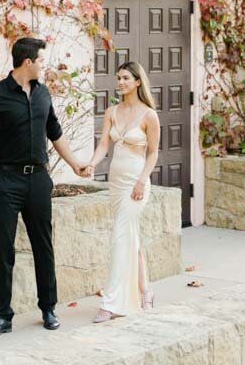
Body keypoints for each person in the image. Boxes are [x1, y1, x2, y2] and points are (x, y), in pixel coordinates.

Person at [0, 35, 91, 338]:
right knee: (2, 248)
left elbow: (55, 133)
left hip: (38, 179)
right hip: (6, 180)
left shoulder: (43, 94)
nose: (43, 67)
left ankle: (48, 307)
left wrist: (75, 163)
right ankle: (2, 317)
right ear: (28, 62)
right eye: (41, 61)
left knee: (43, 245)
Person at [85, 59, 161, 321]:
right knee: (131, 238)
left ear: (138, 82)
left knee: (120, 236)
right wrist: (92, 164)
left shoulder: (149, 115)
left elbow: (153, 153)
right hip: (116, 183)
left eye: (126, 78)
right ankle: (146, 292)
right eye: (119, 78)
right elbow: (104, 145)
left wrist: (142, 180)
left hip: (136, 183)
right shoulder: (112, 112)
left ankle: (111, 303)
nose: (121, 82)